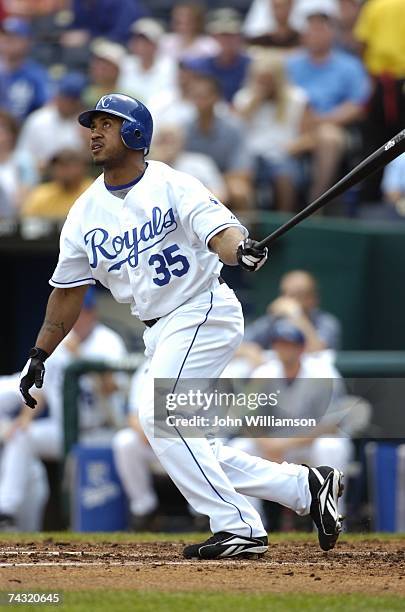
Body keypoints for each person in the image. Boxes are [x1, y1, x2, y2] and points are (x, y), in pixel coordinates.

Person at [19, 92, 343, 559]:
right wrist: (39, 353)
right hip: (159, 327)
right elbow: (67, 292)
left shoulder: (172, 183)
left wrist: (241, 250)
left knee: (161, 414)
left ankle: (239, 526)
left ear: (135, 133)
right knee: (190, 441)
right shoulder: (83, 214)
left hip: (201, 307)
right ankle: (302, 486)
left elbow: (220, 233)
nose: (94, 131)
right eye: (93, 124)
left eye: (107, 124)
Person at [286, 3, 370, 200]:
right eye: (312, 30)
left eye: (321, 29)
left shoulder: (350, 66)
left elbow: (357, 106)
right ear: (303, 35)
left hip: (331, 125)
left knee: (328, 137)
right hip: (293, 125)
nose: (316, 34)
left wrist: (320, 121)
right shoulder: (290, 63)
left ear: (332, 34)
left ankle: (317, 202)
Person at [234, 52, 309, 211]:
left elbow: (308, 135)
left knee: (284, 174)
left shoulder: (297, 98)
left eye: (269, 80)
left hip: (283, 153)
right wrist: (254, 103)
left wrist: (293, 147)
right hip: (250, 153)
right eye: (260, 80)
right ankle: (250, 223)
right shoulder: (243, 97)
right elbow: (235, 129)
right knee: (241, 174)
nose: (264, 85)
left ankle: (284, 221)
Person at [354, 0, 405, 200]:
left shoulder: (374, 5)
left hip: (380, 82)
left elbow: (361, 44)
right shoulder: (375, 5)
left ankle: (372, 196)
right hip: (383, 83)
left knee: (376, 145)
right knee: (381, 144)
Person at [185, 74, 254, 210]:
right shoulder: (183, 129)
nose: (199, 101)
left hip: (225, 181)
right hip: (191, 182)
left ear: (216, 98)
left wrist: (213, 182)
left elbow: (243, 172)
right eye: (195, 96)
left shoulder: (234, 128)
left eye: (204, 96)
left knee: (239, 191)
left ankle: (245, 230)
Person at [244, 270, 342, 351]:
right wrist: (249, 351)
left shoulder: (326, 322)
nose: (288, 301)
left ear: (313, 299)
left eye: (297, 295)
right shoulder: (274, 320)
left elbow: (317, 350)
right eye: (285, 294)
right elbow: (238, 341)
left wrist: (296, 314)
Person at [17, 72, 87, 173]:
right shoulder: (38, 119)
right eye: (64, 97)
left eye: (72, 100)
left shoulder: (85, 124)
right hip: (40, 175)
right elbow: (23, 155)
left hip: (75, 176)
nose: (67, 103)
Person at [184, 8, 251, 104]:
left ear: (239, 36)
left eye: (231, 35)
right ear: (214, 37)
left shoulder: (251, 66)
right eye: (222, 35)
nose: (226, 40)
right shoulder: (198, 66)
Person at [150, 124, 227, 203]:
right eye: (163, 140)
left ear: (181, 142)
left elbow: (220, 194)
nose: (167, 144)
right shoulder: (149, 168)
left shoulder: (201, 163)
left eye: (172, 140)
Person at [118, 19, 178, 106]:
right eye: (137, 40)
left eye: (146, 41)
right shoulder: (125, 64)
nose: (140, 45)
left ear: (156, 44)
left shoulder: (170, 66)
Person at [0, 17, 50, 121]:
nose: (7, 40)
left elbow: (46, 109)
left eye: (14, 36)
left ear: (28, 41)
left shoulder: (36, 75)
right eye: (4, 35)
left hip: (24, 131)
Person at [21, 148, 92, 219]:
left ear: (82, 167)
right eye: (58, 165)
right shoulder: (41, 195)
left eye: (67, 165)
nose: (62, 170)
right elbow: (25, 221)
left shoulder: (92, 190)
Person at [0, 110, 37, 219]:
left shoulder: (24, 159)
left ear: (11, 134)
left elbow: (28, 190)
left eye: (3, 130)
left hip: (19, 216)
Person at [83, 39, 126, 108]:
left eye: (105, 66)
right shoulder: (86, 94)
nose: (98, 70)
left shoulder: (129, 97)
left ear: (117, 70)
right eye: (97, 64)